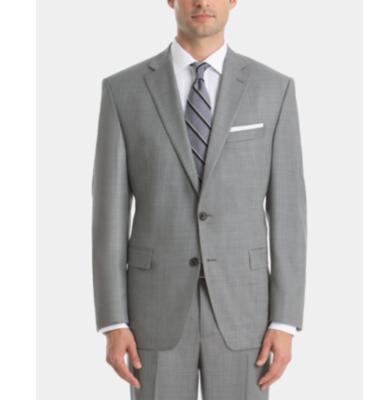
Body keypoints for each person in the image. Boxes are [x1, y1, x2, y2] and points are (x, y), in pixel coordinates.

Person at [91, 1, 307, 398]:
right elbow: (108, 214)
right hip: (152, 311)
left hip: (246, 310)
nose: (203, 2)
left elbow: (289, 212)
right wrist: (113, 321)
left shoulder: (273, 89)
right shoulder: (123, 91)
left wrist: (284, 320)